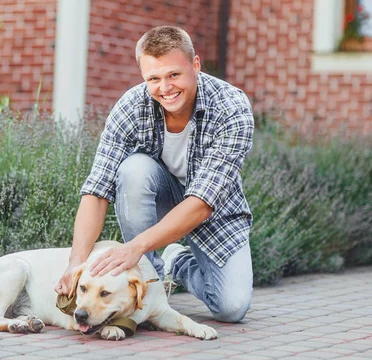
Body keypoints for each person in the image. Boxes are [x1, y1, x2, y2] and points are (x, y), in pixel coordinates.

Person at [54, 25, 254, 323]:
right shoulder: (131, 108)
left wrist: (135, 246)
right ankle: (152, 285)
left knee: (232, 307)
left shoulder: (231, 108)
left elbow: (202, 202)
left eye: (174, 75)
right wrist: (76, 263)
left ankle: (175, 259)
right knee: (134, 169)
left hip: (214, 211)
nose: (165, 87)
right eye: (154, 78)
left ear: (195, 65)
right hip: (157, 201)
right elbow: (97, 191)